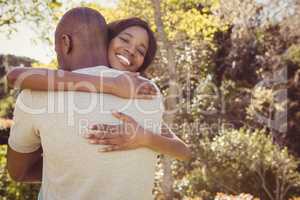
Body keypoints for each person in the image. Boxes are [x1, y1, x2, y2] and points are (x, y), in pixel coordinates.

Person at [6, 7, 190, 200]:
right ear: (106, 41)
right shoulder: (149, 91)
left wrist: (145, 138)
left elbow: (19, 173)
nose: (131, 50)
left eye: (141, 50)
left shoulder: (37, 94)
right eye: (125, 39)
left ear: (65, 43)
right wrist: (111, 85)